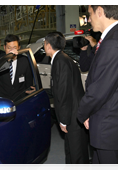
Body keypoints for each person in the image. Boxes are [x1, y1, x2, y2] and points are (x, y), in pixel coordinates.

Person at [77, 5, 118, 170]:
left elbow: (99, 91)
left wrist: (82, 113)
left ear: (100, 11)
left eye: (89, 14)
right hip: (111, 126)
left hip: (112, 131)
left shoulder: (115, 42)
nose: (88, 19)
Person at [44, 31, 89, 170]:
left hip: (72, 113)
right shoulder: (62, 59)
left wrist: (63, 120)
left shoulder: (61, 62)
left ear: (49, 45)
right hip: (73, 110)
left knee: (77, 152)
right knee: (71, 147)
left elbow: (63, 93)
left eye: (44, 44)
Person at [0, 34, 34, 101]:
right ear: (4, 47)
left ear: (19, 47)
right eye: (9, 48)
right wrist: (8, 60)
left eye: (14, 48)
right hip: (1, 100)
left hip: (20, 100)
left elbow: (28, 82)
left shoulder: (25, 60)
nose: (12, 51)